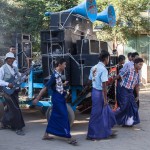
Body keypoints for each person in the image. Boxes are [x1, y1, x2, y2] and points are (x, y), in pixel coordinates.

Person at [33, 57, 77, 145]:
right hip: (57, 99)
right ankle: (68, 136)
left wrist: (63, 84)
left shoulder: (58, 74)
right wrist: (37, 98)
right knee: (64, 116)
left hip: (60, 98)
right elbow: (45, 87)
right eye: (64, 64)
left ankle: (46, 134)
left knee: (54, 116)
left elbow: (56, 85)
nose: (65, 66)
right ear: (59, 65)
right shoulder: (54, 76)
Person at [86, 50, 116, 141]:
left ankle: (103, 131)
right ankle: (92, 135)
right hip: (100, 93)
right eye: (108, 58)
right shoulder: (103, 69)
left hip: (94, 92)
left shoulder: (94, 67)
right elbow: (104, 85)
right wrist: (105, 98)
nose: (109, 60)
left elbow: (89, 81)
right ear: (105, 58)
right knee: (96, 114)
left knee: (100, 113)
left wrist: (86, 89)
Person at [113, 57, 143, 127]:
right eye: (139, 64)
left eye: (142, 65)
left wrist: (137, 95)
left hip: (130, 91)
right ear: (135, 64)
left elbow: (136, 85)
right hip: (123, 89)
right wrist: (110, 80)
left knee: (133, 106)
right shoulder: (129, 69)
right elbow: (119, 76)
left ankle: (128, 121)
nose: (141, 66)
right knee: (124, 107)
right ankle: (110, 117)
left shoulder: (138, 74)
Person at [0, 52, 25, 135]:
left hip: (14, 91)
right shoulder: (2, 68)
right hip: (7, 91)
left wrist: (24, 76)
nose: (11, 60)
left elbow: (19, 79)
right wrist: (7, 84)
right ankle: (18, 128)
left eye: (12, 59)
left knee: (10, 108)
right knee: (15, 109)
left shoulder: (15, 68)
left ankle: (4, 123)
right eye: (9, 59)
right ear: (6, 60)